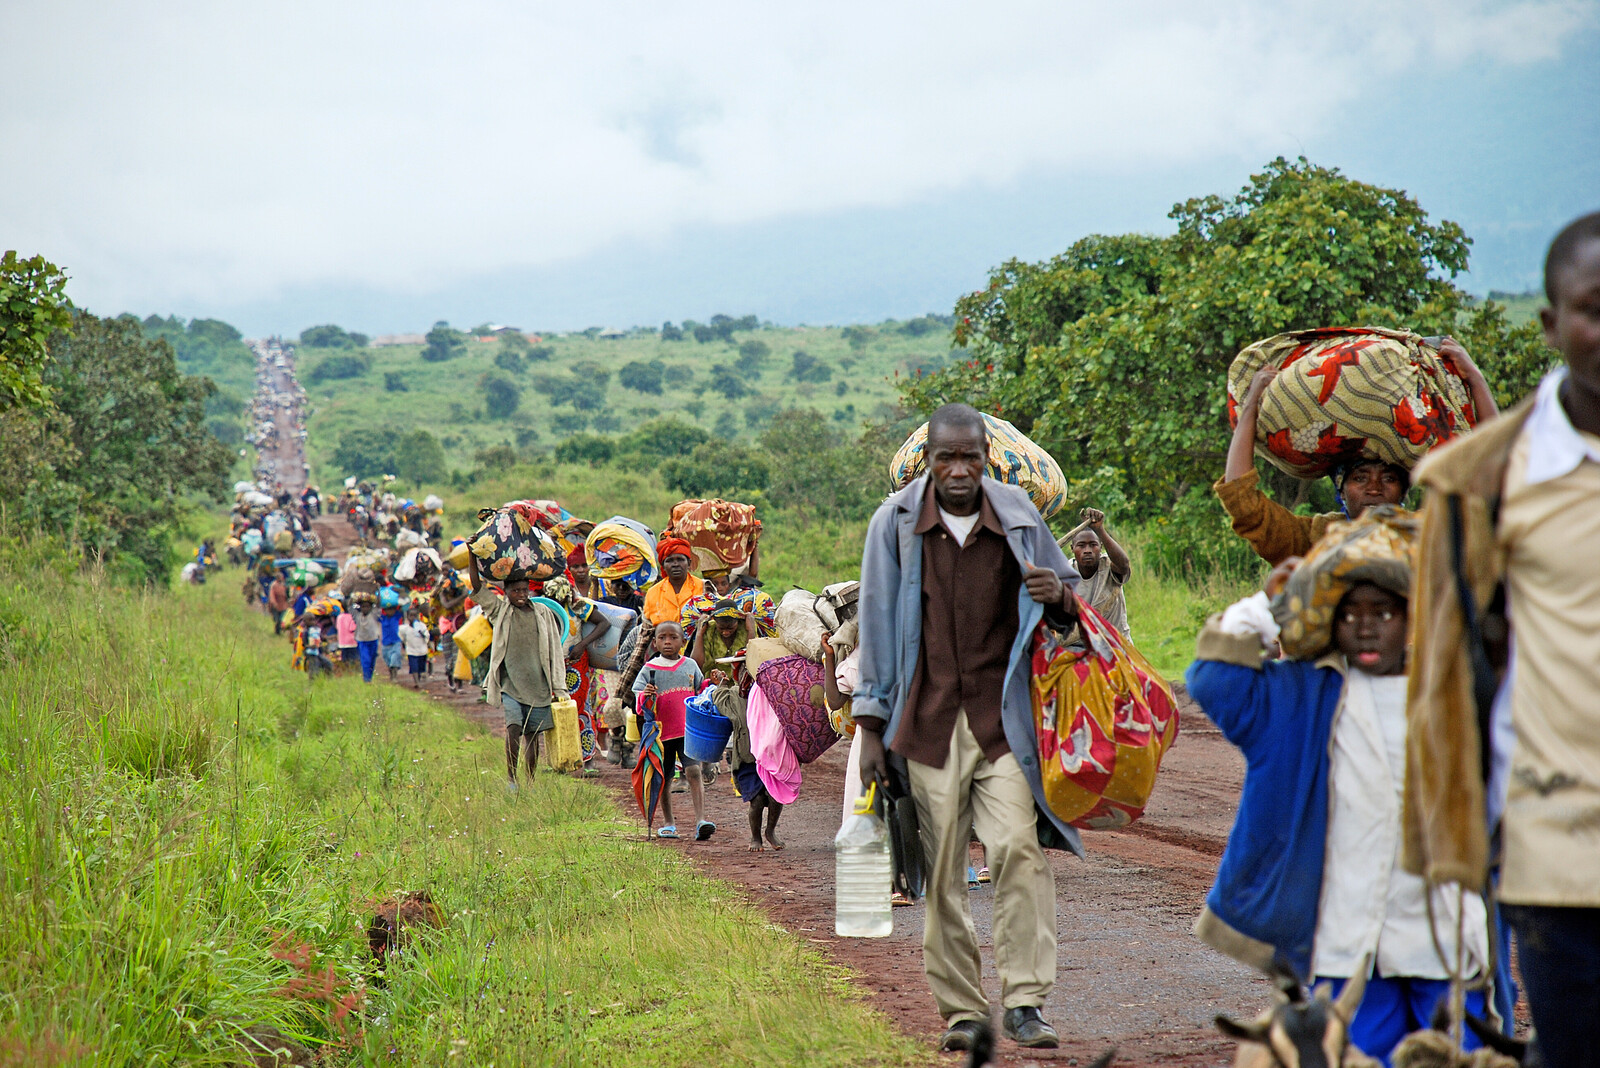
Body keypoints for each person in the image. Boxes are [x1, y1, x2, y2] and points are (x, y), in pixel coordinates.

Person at [1404, 211, 1600, 1067]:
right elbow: (1449, 666)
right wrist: (1454, 837)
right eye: (1595, 305)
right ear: (1552, 325)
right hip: (1557, 844)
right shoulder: (1480, 481)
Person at [1188, 520, 1489, 1066]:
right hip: (1348, 941)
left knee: (1462, 1056)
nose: (1366, 628)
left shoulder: (1454, 692)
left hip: (1447, 933)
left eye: (1384, 614)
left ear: (1413, 617)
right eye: (1350, 615)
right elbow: (1213, 682)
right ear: (1330, 621)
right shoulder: (1304, 696)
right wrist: (1265, 605)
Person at [854, 403, 1082, 1053]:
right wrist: (870, 729)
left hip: (1000, 717)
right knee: (944, 868)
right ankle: (962, 1011)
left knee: (1018, 848)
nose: (958, 471)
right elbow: (874, 623)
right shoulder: (894, 523)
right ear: (928, 461)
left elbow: (1069, 599)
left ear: (988, 457)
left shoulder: (1015, 513)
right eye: (945, 458)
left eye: (969, 458)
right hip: (926, 721)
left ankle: (1026, 1001)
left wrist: (1058, 595)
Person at [1216, 337, 1498, 565]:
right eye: (1360, 478)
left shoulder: (1429, 537)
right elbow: (1245, 506)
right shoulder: (1315, 539)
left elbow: (1496, 484)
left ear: (1403, 491)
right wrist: (1252, 405)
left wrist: (1475, 378)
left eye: (1388, 479)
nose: (1374, 488)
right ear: (1341, 490)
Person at [466, 553, 567, 789]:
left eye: (524, 590)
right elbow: (477, 585)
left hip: (539, 686)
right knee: (513, 730)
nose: (521, 595)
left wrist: (558, 685)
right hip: (510, 685)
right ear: (506, 593)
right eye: (515, 591)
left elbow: (554, 649)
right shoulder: (499, 611)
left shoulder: (542, 614)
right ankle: (512, 779)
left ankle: (530, 781)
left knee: (533, 736)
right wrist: (472, 555)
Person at [633, 621, 714, 841]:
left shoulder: (690, 665)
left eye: (673, 637)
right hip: (661, 734)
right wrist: (645, 695)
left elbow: (700, 691)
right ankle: (669, 823)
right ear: (655, 642)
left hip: (687, 731)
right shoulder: (649, 669)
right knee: (664, 778)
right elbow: (638, 700)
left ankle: (701, 820)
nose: (667, 642)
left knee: (694, 772)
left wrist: (712, 683)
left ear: (683, 641)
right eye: (662, 638)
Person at [707, 652, 783, 851]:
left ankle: (770, 831)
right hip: (746, 758)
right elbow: (719, 698)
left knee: (775, 796)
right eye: (743, 671)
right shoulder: (734, 695)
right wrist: (722, 683)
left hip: (772, 757)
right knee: (756, 801)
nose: (746, 675)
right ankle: (756, 837)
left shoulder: (774, 693)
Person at [1057, 507, 1132, 641]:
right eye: (1081, 545)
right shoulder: (1064, 573)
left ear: (1101, 547)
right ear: (1072, 548)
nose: (1087, 550)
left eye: (1093, 545)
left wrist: (1099, 529)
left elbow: (1124, 565)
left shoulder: (1109, 566)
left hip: (1116, 643)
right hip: (1080, 646)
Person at [642, 538, 704, 625]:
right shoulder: (653, 593)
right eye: (670, 561)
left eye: (680, 559)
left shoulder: (704, 587)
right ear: (663, 566)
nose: (675, 564)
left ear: (689, 563)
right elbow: (647, 628)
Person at [398, 607, 431, 689]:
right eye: (411, 616)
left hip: (422, 651)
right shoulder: (404, 628)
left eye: (415, 616)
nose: (413, 618)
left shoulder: (422, 626)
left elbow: (427, 635)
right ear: (407, 617)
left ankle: (418, 679)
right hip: (411, 651)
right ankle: (417, 682)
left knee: (420, 667)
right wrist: (403, 643)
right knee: (414, 667)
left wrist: (423, 634)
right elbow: (401, 636)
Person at [351, 596, 382, 683]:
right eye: (363, 606)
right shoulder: (357, 615)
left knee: (372, 660)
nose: (365, 608)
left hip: (373, 640)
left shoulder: (374, 614)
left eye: (367, 606)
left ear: (371, 607)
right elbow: (349, 605)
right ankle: (366, 679)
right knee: (365, 660)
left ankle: (369, 677)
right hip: (361, 641)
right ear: (360, 607)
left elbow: (379, 604)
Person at [378, 596, 404, 682]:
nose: (390, 611)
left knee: (394, 659)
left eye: (392, 609)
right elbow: (375, 611)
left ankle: (394, 676)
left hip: (395, 642)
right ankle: (391, 674)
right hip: (385, 644)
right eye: (387, 610)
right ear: (384, 611)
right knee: (388, 661)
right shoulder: (382, 618)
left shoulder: (397, 616)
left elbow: (403, 607)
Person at [336, 604, 358, 668]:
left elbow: (337, 627)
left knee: (345, 658)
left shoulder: (339, 617)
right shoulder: (352, 616)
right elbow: (352, 628)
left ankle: (346, 670)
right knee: (353, 657)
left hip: (342, 641)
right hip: (352, 641)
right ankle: (353, 670)